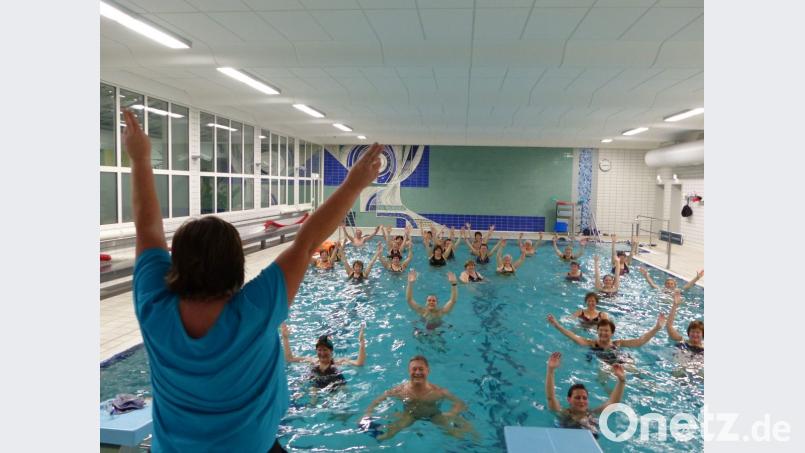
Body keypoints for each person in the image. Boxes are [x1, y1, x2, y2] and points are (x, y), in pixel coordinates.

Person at [125, 107, 382, 453]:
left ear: (177, 262)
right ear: (237, 265)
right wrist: (354, 184)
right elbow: (306, 243)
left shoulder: (154, 307)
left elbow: (146, 227)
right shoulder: (256, 309)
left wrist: (141, 159)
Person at [360, 355, 475, 441]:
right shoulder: (401, 390)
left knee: (457, 435)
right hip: (410, 415)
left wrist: (451, 414)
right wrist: (368, 413)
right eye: (414, 369)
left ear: (428, 371)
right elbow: (379, 399)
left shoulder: (437, 392)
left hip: (434, 415)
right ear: (409, 371)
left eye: (421, 369)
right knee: (385, 436)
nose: (417, 372)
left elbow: (460, 403)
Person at [545, 352, 626, 437]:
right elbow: (551, 397)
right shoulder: (564, 414)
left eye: (584, 398)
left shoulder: (591, 414)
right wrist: (550, 371)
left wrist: (622, 381)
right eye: (577, 397)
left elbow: (612, 403)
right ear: (569, 399)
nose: (581, 401)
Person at [546, 314, 666, 366]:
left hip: (621, 360)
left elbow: (640, 341)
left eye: (606, 331)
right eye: (601, 330)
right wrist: (556, 325)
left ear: (612, 333)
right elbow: (572, 335)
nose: (603, 333)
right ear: (597, 331)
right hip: (605, 364)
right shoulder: (591, 343)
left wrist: (656, 328)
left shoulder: (618, 343)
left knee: (632, 368)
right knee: (604, 371)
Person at [280, 323, 366, 392]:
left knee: (343, 391)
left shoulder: (338, 362)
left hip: (335, 383)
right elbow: (290, 358)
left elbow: (359, 363)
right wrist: (285, 338)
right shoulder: (312, 361)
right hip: (317, 384)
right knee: (311, 390)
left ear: (331, 351)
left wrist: (362, 342)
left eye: (325, 350)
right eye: (319, 350)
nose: (322, 353)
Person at [667, 290, 704, 356]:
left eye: (698, 332)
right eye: (693, 331)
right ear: (688, 333)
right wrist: (675, 305)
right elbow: (669, 326)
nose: (695, 334)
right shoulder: (681, 341)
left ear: (703, 335)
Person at [639, 268, 704, 293]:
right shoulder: (661, 289)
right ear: (665, 284)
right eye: (668, 283)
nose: (669, 285)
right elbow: (651, 284)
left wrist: (697, 278)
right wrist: (646, 275)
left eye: (671, 283)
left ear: (675, 285)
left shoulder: (677, 290)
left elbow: (688, 285)